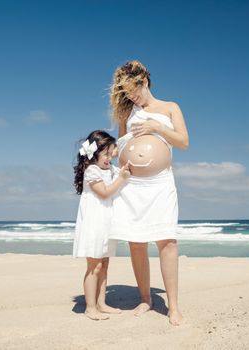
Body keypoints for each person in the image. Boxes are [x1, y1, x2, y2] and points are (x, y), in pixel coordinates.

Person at [109, 60, 189, 325]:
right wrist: (124, 153)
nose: (130, 96)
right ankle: (145, 298)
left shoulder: (170, 107)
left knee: (167, 241)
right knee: (136, 241)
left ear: (144, 82)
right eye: (126, 93)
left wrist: (157, 128)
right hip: (133, 185)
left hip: (160, 184)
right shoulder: (126, 113)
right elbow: (119, 145)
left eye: (133, 90)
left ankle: (174, 306)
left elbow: (184, 142)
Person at [72, 130, 131, 320]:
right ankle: (90, 307)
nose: (109, 157)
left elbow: (121, 154)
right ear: (93, 154)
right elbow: (104, 193)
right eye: (105, 154)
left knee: (104, 264)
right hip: (94, 223)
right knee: (94, 266)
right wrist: (121, 179)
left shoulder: (110, 169)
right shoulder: (92, 171)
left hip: (107, 223)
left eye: (110, 153)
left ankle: (102, 303)